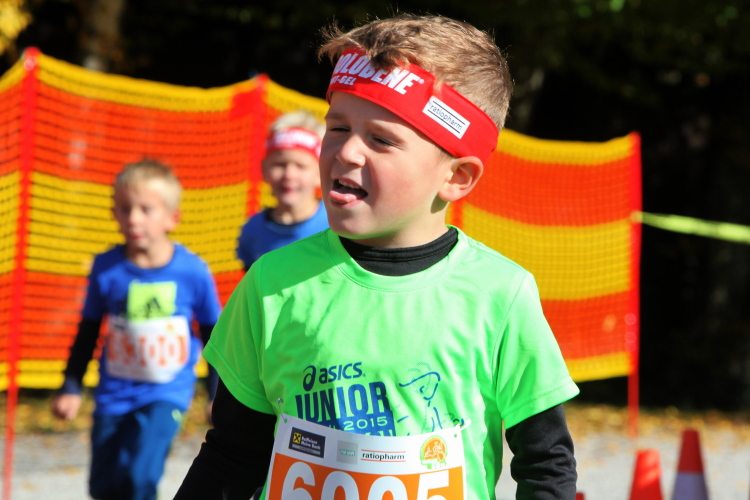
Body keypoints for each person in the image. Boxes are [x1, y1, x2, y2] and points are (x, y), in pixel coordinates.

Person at [176, 13, 579, 500]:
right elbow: (232, 454)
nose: (347, 152)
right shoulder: (271, 283)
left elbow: (546, 464)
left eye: (382, 139)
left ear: (456, 177)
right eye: (338, 127)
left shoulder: (500, 294)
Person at [51, 159, 222, 500]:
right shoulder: (107, 268)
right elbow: (88, 331)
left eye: (146, 209)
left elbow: (214, 336)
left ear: (172, 217)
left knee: (140, 477)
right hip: (114, 393)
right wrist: (71, 386)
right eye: (125, 208)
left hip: (166, 392)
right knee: (104, 486)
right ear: (113, 213)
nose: (134, 219)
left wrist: (217, 396)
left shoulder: (192, 271)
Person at [236, 111, 329, 271]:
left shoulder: (336, 227)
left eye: (300, 166)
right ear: (264, 169)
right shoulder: (253, 230)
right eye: (280, 164)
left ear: (320, 173)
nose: (289, 175)